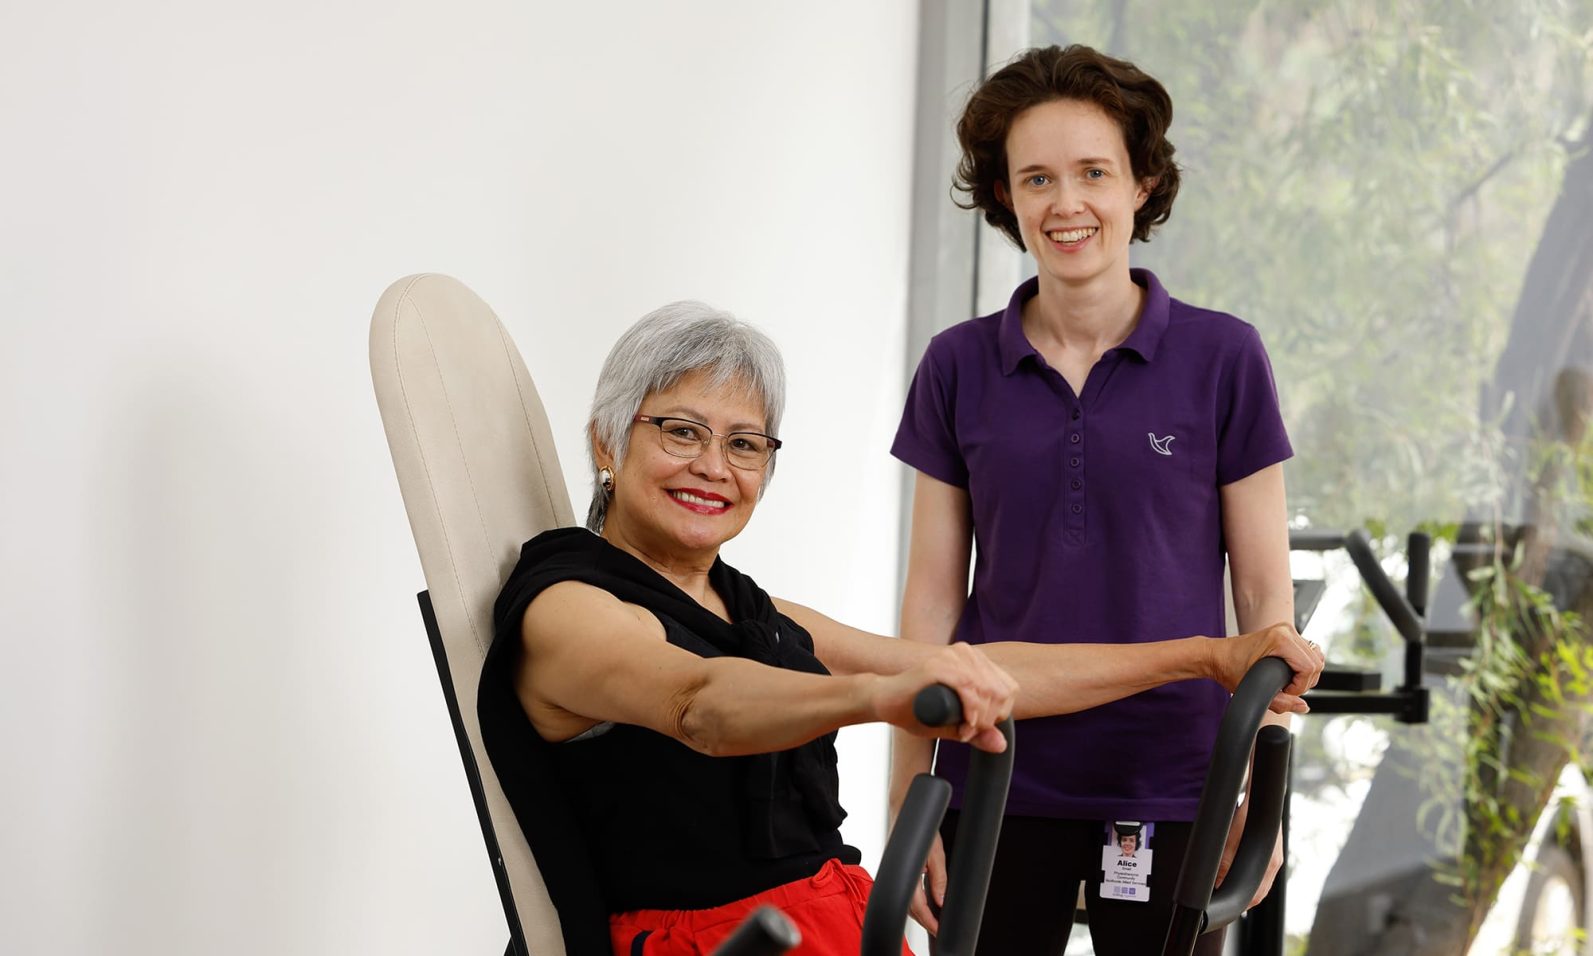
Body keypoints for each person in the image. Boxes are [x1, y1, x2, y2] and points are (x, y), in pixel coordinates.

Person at [478, 302, 1321, 956]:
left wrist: (1210, 655)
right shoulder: (567, 606)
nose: (713, 466)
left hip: (835, 925)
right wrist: (882, 697)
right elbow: (698, 702)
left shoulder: (746, 608)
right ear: (605, 442)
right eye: (680, 431)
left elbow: (978, 667)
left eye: (744, 444)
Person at [890, 45, 1302, 956]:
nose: (1064, 204)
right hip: (993, 770)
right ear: (1003, 195)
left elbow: (1265, 602)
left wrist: (1260, 790)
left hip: (1172, 777)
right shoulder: (956, 366)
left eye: (1092, 173)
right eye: (1036, 177)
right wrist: (907, 795)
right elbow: (928, 597)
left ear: (1142, 183)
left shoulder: (1223, 358)